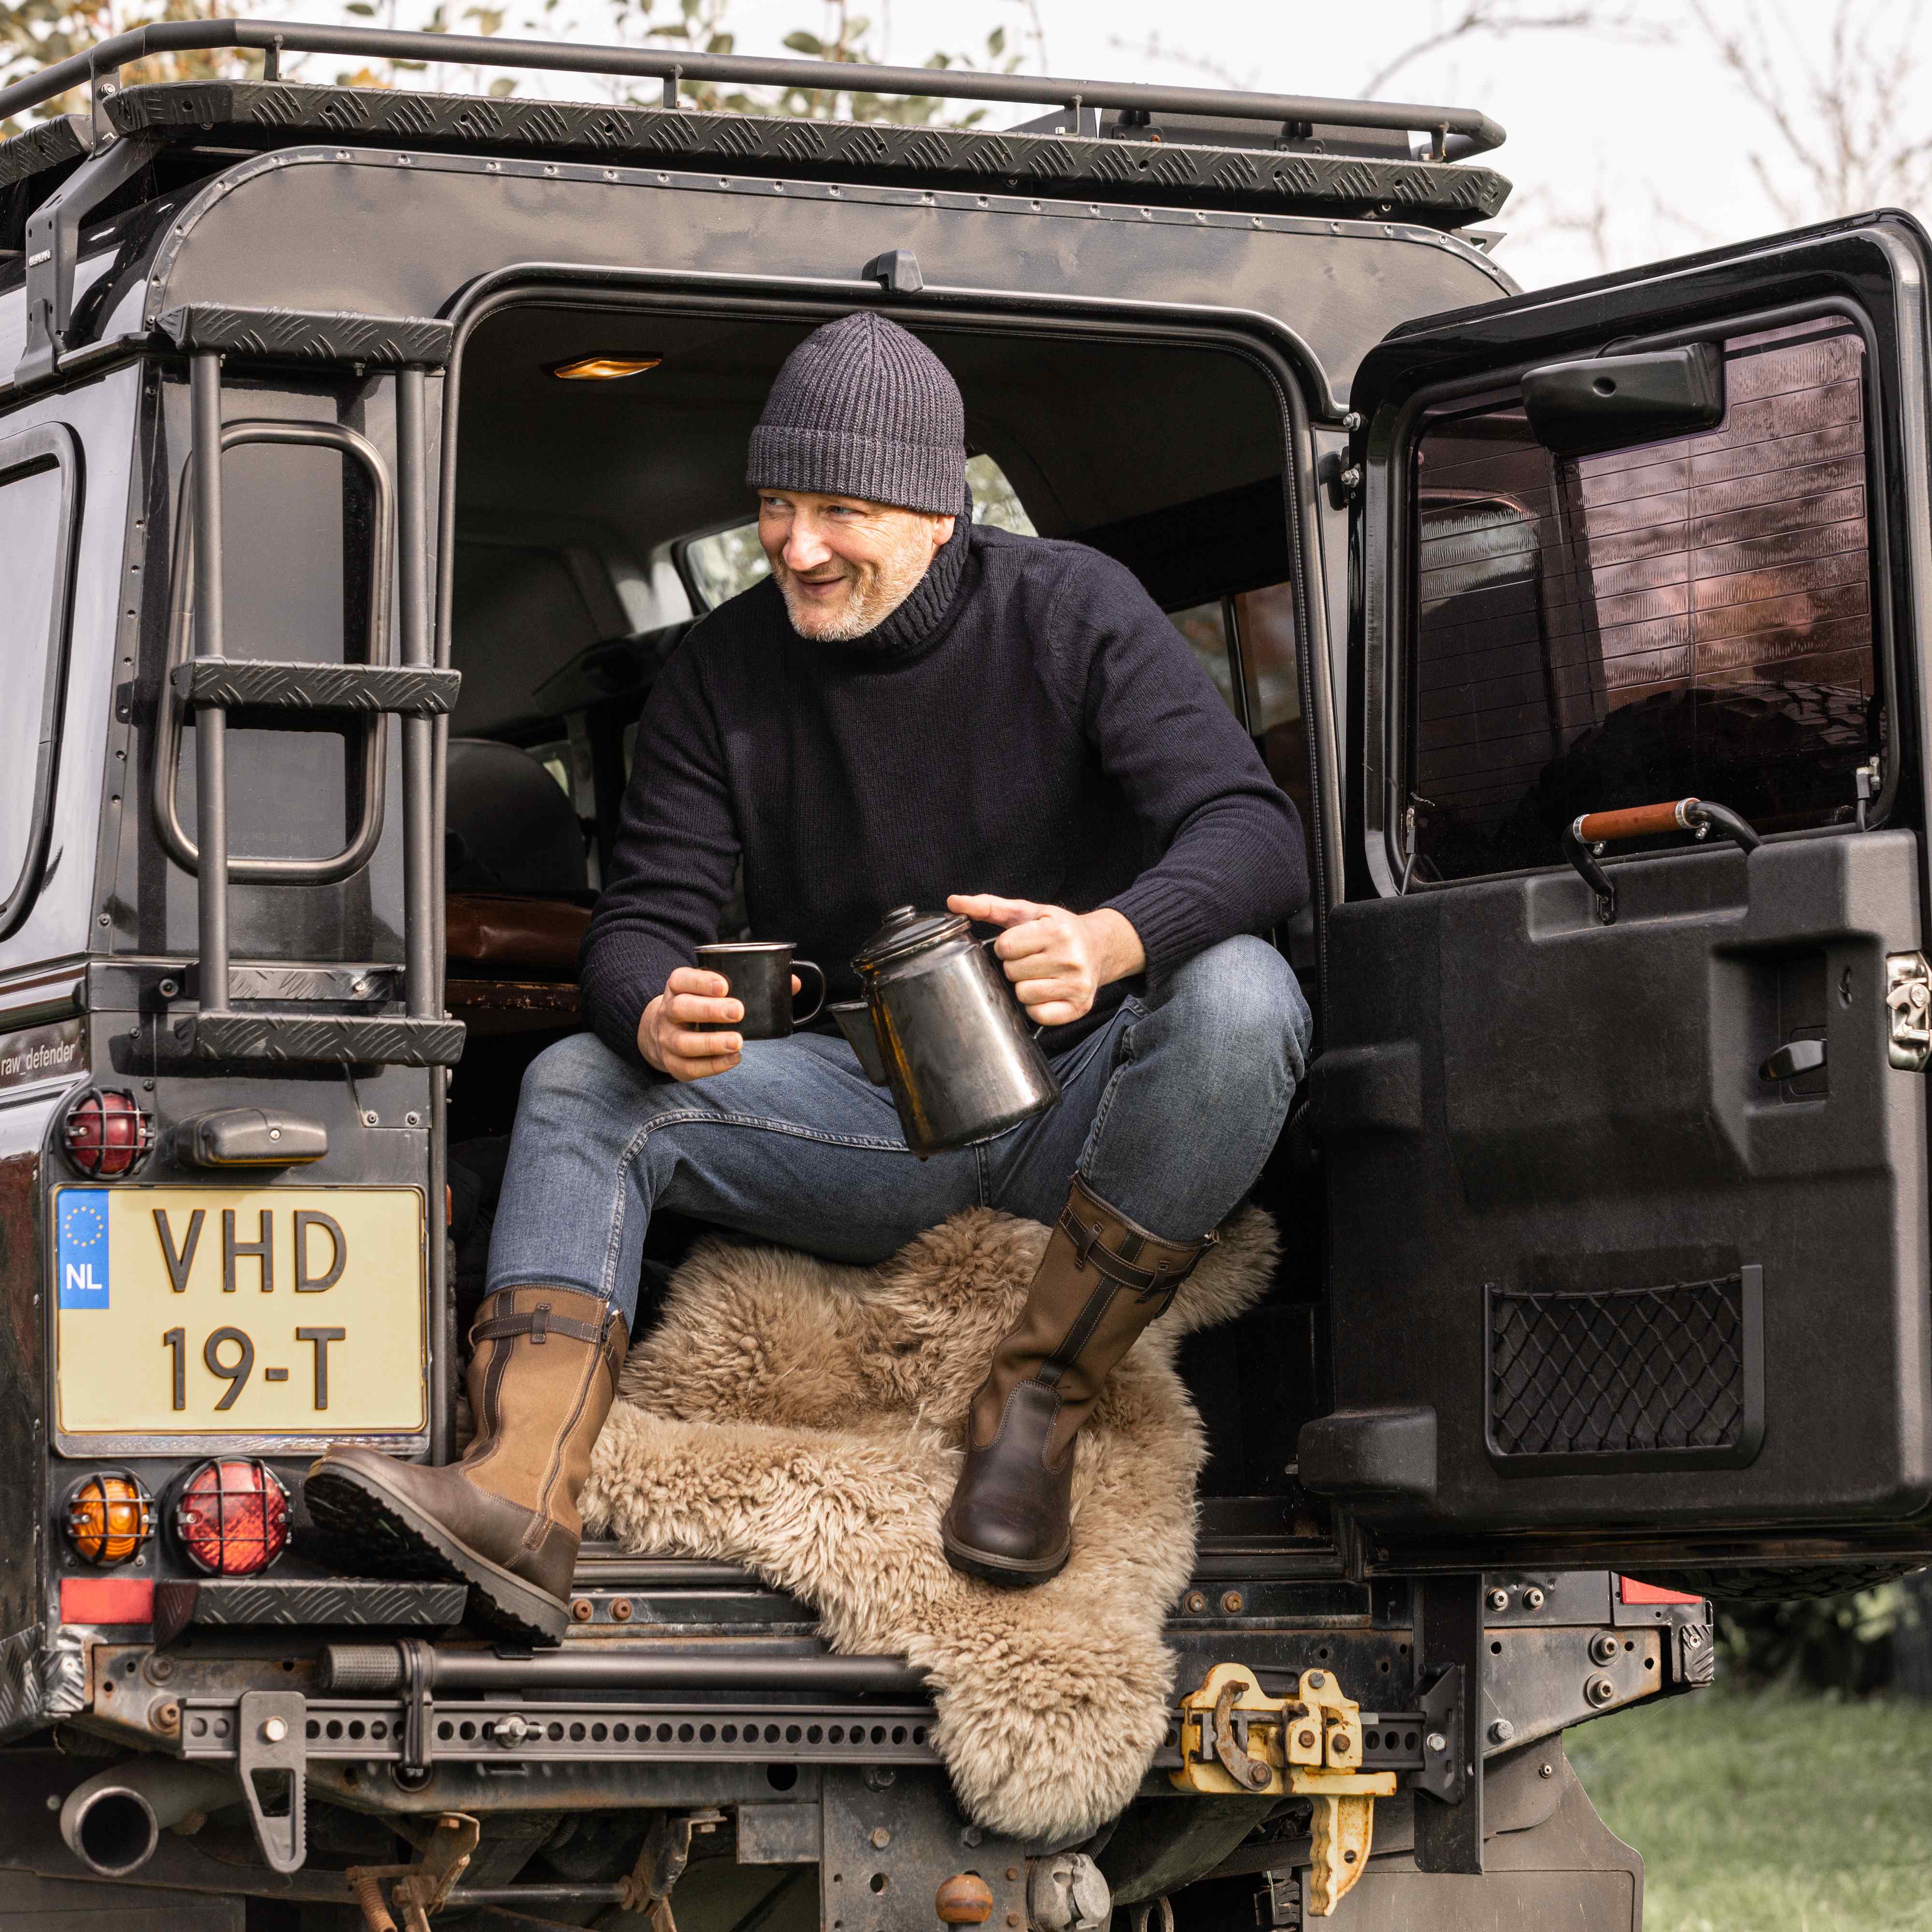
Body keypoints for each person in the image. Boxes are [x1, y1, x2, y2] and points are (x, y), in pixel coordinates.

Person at [306, 312, 1311, 1643]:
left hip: (1089, 1113)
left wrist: (1111, 940)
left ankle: (1036, 1407)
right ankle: (518, 1492)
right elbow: (639, 922)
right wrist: (649, 1006)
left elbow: (1255, 833)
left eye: (842, 510)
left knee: (1245, 992)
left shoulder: (1072, 609)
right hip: (865, 1119)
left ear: (939, 514)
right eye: (777, 505)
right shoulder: (721, 670)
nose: (797, 544)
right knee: (577, 1080)